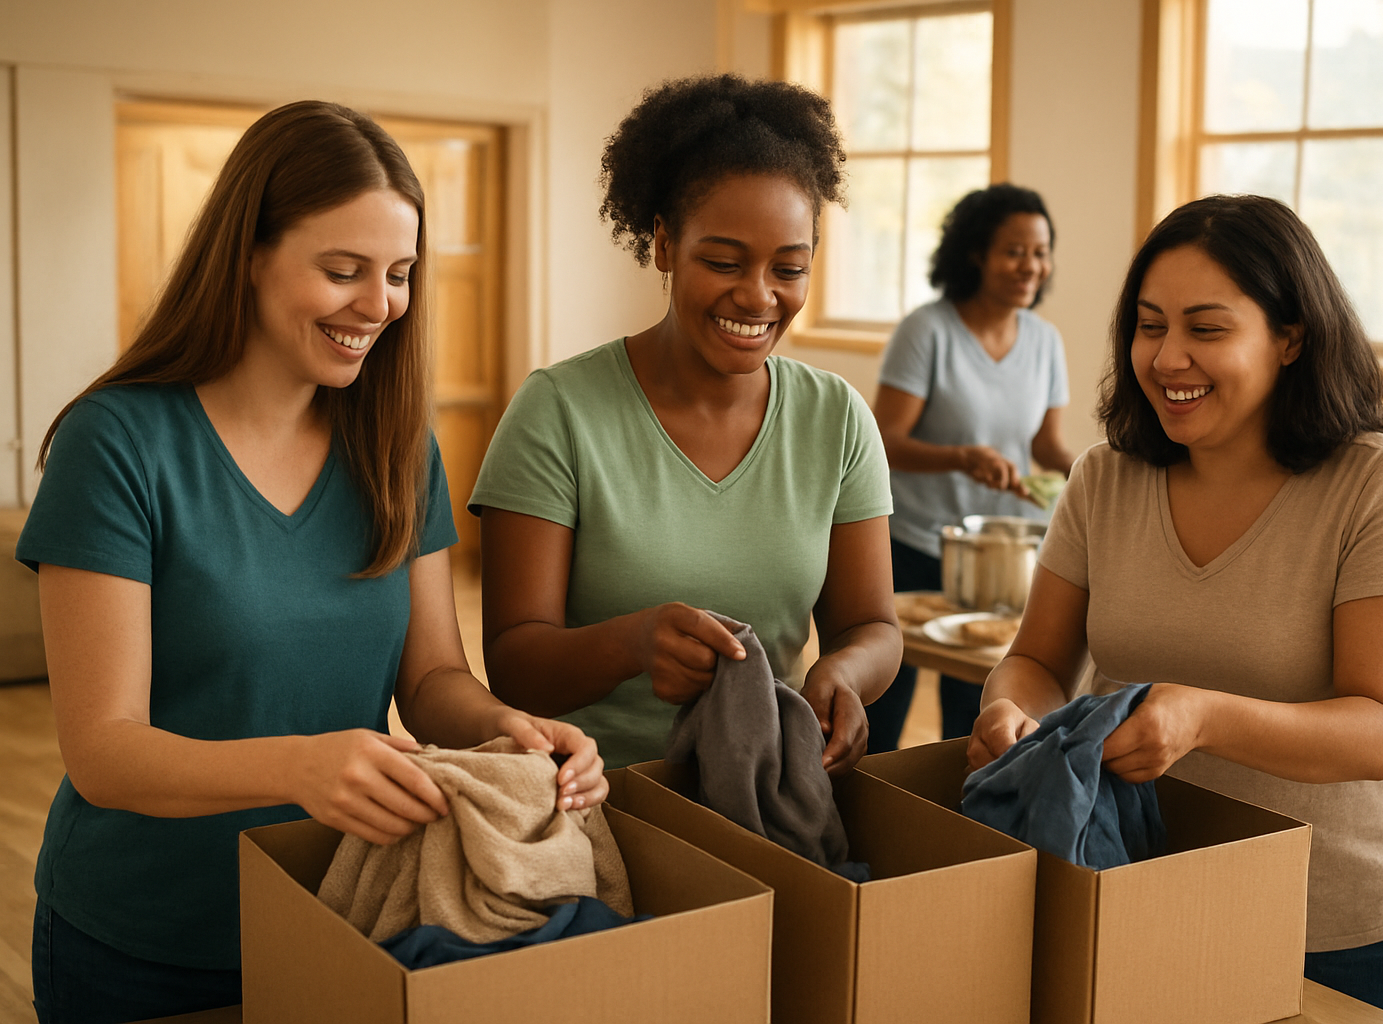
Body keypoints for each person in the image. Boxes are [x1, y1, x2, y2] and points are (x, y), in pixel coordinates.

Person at [16, 101, 606, 1024]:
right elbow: (104, 752)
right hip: (145, 945)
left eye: (400, 275)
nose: (378, 306)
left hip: (344, 917)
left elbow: (432, 677)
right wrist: (298, 767)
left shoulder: (399, 447)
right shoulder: (119, 444)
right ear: (249, 255)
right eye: (342, 270)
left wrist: (510, 730)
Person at [968, 194, 1383, 1021]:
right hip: (1134, 876)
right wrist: (1013, 711)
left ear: (1290, 337)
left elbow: (1381, 730)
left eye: (1206, 328)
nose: (1167, 358)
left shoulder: (1382, 486)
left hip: (1332, 912)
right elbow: (1039, 659)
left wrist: (1200, 717)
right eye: (1149, 326)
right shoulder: (1105, 478)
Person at [471, 73, 901, 773]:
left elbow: (871, 625)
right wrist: (632, 644)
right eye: (724, 262)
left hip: (764, 791)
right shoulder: (558, 412)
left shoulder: (837, 419)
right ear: (665, 244)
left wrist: (843, 674)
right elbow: (514, 665)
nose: (758, 296)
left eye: (789, 269)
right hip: (593, 797)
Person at [865, 184, 1075, 752]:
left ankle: (960, 808)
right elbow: (885, 441)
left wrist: (1097, 472)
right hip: (915, 543)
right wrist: (961, 458)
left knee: (977, 714)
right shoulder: (927, 331)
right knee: (884, 707)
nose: (1031, 266)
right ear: (976, 253)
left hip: (997, 558)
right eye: (1014, 251)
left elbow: (1046, 444)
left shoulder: (1045, 341)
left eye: (1040, 252)